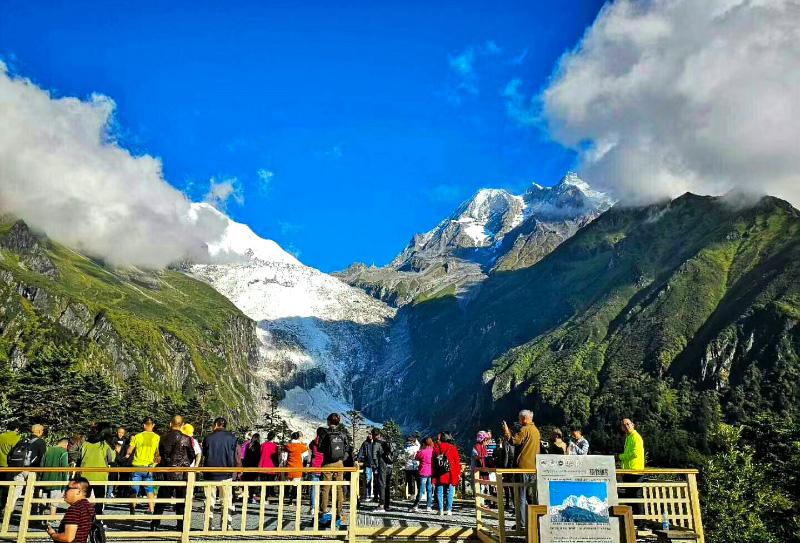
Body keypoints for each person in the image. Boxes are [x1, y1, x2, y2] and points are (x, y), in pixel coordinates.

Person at [151, 415, 196, 531]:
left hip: (167, 472)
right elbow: (191, 455)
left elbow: (161, 454)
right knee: (182, 501)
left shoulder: (163, 438)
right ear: (182, 425)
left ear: (170, 424)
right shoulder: (186, 438)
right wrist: (184, 464)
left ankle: (155, 524)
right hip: (182, 473)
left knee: (162, 500)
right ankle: (181, 526)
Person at [502, 409, 541, 529]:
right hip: (533, 468)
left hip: (522, 468)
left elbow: (514, 441)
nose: (519, 421)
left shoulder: (524, 430)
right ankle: (535, 521)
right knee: (531, 496)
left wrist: (506, 431)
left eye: (519, 418)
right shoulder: (536, 431)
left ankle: (522, 523)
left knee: (520, 496)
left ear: (524, 418)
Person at [202, 417, 240, 528]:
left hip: (210, 473)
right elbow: (235, 455)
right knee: (226, 500)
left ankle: (207, 525)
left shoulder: (208, 438)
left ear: (216, 424)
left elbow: (205, 453)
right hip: (226, 472)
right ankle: (226, 525)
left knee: (209, 500)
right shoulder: (232, 438)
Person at [8, 423, 48, 513]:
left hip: (17, 468)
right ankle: (29, 515)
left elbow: (10, 454)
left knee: (16, 491)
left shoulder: (22, 440)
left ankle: (8, 511)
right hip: (32, 470)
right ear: (39, 431)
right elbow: (43, 458)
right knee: (32, 493)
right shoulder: (40, 442)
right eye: (42, 431)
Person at [319, 413, 350, 523]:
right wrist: (342, 458)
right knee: (339, 488)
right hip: (339, 463)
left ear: (328, 421)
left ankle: (323, 512)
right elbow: (347, 448)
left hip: (327, 463)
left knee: (325, 488)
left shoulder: (325, 433)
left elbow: (319, 448)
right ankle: (339, 512)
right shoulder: (342, 434)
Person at [126, 417, 160, 514]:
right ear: (153, 425)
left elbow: (129, 451)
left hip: (137, 466)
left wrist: (127, 456)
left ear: (144, 425)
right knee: (149, 488)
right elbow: (158, 454)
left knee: (134, 488)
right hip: (149, 467)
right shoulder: (157, 438)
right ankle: (151, 509)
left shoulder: (137, 436)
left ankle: (132, 509)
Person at [45, 477, 95, 543]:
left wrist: (53, 534)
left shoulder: (75, 509)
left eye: (68, 488)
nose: (65, 491)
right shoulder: (88, 506)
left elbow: (68, 538)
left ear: (78, 492)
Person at [79, 424, 115, 515]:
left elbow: (80, 457)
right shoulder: (105, 445)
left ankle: (84, 518)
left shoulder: (86, 443)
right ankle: (98, 520)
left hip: (85, 475)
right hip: (100, 475)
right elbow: (111, 459)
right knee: (99, 500)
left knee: (84, 499)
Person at [39, 438, 70, 517]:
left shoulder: (48, 450)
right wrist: (65, 483)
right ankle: (52, 518)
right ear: (65, 444)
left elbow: (41, 464)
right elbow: (65, 468)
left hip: (44, 480)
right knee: (54, 502)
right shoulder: (64, 452)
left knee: (43, 500)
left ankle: (40, 517)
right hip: (57, 481)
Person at [432, 432, 461, 516]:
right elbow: (457, 462)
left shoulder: (436, 448)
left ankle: (440, 509)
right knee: (450, 491)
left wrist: (433, 475)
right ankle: (449, 510)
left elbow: (433, 463)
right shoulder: (453, 448)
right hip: (451, 472)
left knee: (440, 491)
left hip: (440, 472)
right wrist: (458, 473)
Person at [0, 424, 21, 515]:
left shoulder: (1, 436)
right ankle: (3, 507)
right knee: (7, 488)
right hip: (9, 465)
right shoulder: (17, 438)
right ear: (16, 428)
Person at [373, 429, 395, 512]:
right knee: (387, 485)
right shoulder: (387, 442)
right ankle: (387, 505)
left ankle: (381, 505)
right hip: (390, 465)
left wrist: (375, 466)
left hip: (382, 465)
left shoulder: (376, 443)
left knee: (382, 484)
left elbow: (374, 456)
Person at [491, 436, 515, 512]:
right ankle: (510, 504)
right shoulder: (512, 446)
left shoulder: (501, 448)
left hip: (502, 469)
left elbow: (503, 458)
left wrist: (503, 468)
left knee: (501, 487)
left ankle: (502, 503)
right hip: (509, 469)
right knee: (509, 488)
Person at [411, 437, 434, 512]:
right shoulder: (433, 451)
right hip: (431, 472)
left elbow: (416, 457)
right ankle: (429, 506)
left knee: (421, 490)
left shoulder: (422, 452)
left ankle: (416, 505)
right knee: (429, 490)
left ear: (423, 444)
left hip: (423, 472)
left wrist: (419, 450)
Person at [308, 427, 327, 512]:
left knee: (314, 488)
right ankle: (322, 507)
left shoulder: (313, 442)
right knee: (324, 489)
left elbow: (310, 447)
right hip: (324, 467)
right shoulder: (327, 442)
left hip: (314, 466)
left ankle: (313, 507)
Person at [109, 426, 131, 498]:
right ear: (116, 432)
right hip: (114, 460)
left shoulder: (126, 440)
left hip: (122, 460)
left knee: (123, 476)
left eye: (122, 433)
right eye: (119, 432)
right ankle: (111, 491)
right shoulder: (113, 439)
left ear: (124, 433)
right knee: (113, 476)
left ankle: (120, 492)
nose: (120, 434)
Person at [470, 431, 490, 505]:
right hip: (477, 469)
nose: (486, 441)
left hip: (483, 469)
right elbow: (475, 457)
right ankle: (479, 503)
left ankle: (482, 502)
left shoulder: (484, 447)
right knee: (479, 486)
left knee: (483, 486)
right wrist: (483, 457)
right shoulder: (476, 447)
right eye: (485, 439)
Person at [241, 433, 262, 503]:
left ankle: (246, 494)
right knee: (253, 482)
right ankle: (251, 496)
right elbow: (258, 456)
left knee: (247, 480)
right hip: (254, 465)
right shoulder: (258, 445)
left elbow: (246, 456)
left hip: (247, 465)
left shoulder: (249, 445)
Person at [259, 431, 280, 500]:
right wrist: (277, 466)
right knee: (269, 482)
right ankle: (266, 497)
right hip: (271, 466)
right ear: (273, 438)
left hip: (262, 465)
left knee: (263, 482)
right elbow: (276, 457)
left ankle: (262, 496)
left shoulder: (263, 445)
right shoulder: (275, 446)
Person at [356, 432, 376, 501]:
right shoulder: (365, 443)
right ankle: (368, 495)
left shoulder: (376, 443)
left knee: (376, 480)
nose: (370, 436)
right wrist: (358, 460)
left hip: (376, 465)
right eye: (369, 434)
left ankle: (376, 495)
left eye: (371, 434)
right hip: (368, 464)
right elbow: (361, 452)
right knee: (368, 479)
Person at [402, 436, 420, 500]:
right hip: (411, 466)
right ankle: (414, 494)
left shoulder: (406, 447)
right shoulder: (415, 447)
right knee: (412, 481)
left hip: (412, 466)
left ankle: (414, 494)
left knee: (412, 481)